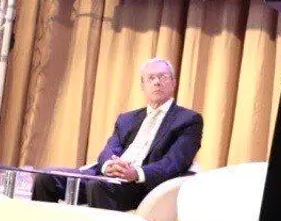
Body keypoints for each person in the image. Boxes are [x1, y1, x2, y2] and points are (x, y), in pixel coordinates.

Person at [32, 58, 202, 211]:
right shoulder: (127, 118)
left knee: (97, 187)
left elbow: (173, 163)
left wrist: (135, 173)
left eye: (163, 77)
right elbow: (109, 150)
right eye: (151, 78)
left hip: (142, 186)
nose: (157, 82)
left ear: (173, 83)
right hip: (106, 178)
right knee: (46, 179)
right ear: (142, 86)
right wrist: (109, 166)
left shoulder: (188, 120)